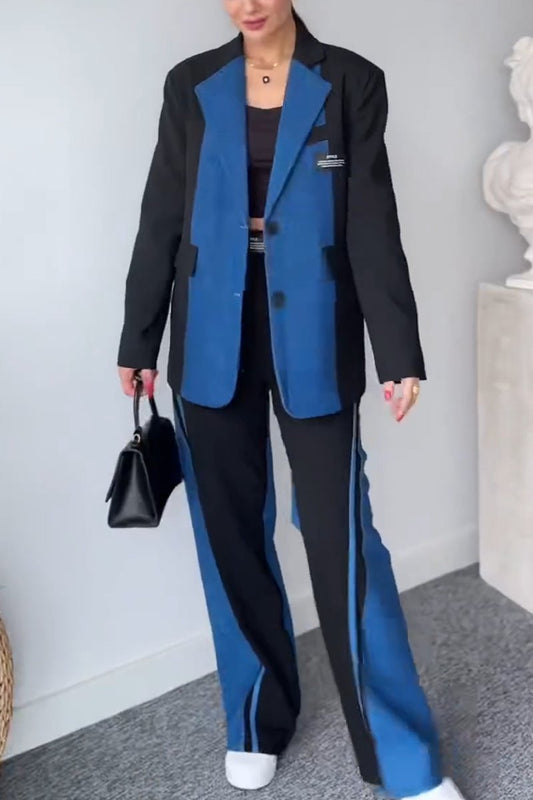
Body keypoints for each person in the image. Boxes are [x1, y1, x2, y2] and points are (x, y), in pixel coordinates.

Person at [116, 2, 466, 799]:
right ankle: (254, 720)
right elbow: (161, 216)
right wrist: (137, 340)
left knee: (343, 541)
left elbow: (371, 220)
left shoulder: (350, 82)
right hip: (208, 335)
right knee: (230, 536)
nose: (247, 3)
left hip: (314, 332)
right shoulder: (190, 84)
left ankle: (404, 761)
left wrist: (397, 351)